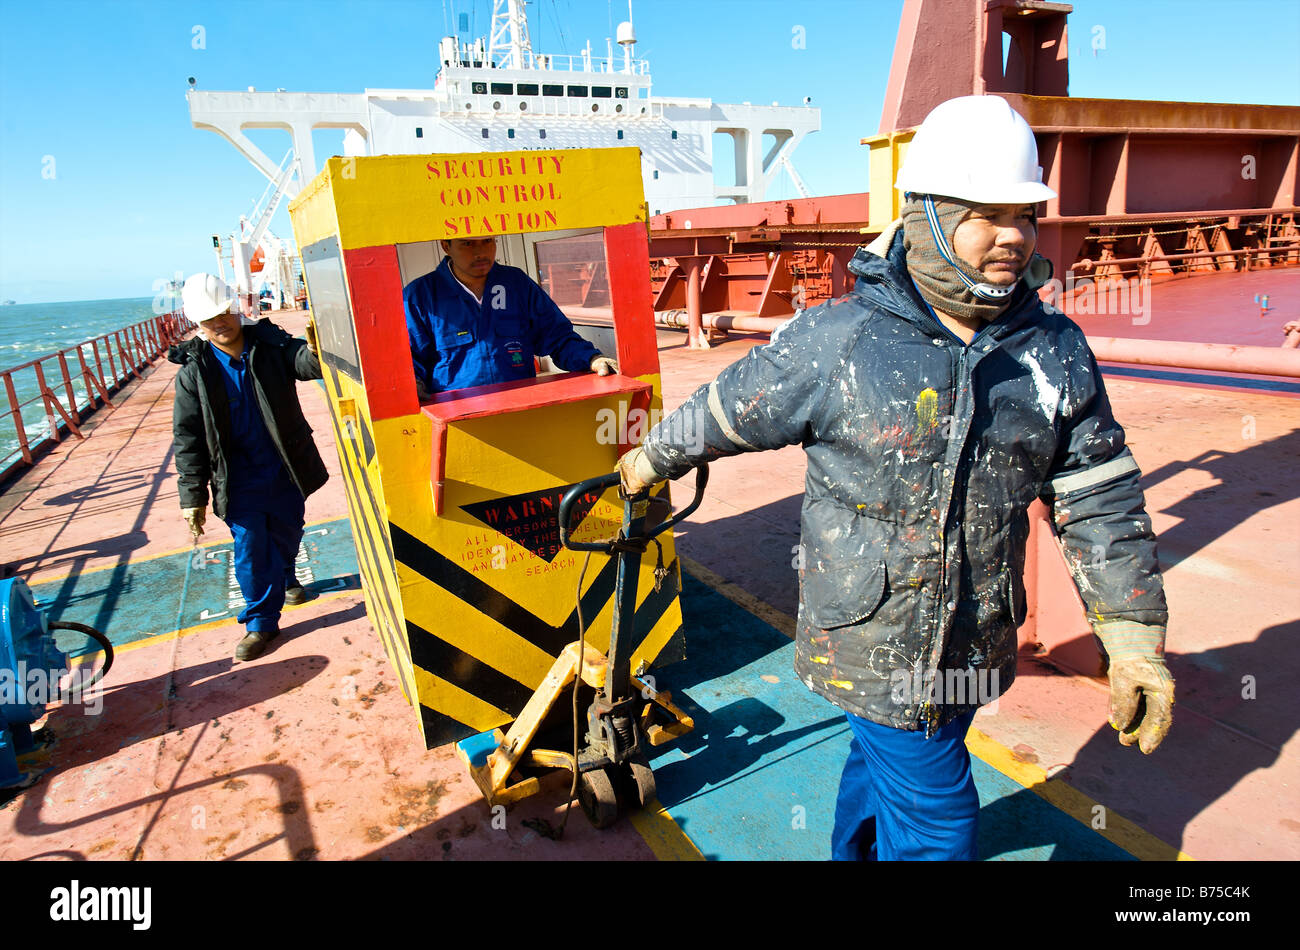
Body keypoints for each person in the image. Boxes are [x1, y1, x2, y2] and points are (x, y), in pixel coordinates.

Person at [617, 96, 1175, 860]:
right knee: (940, 826)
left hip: (974, 643)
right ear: (926, 216)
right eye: (985, 214)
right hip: (869, 642)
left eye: (1026, 215)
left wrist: (1135, 638)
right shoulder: (840, 339)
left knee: (884, 775)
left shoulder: (1053, 352)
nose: (1013, 236)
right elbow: (733, 407)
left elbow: (1097, 492)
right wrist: (651, 458)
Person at [171, 273, 329, 661]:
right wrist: (192, 496)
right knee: (251, 546)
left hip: (285, 468)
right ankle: (261, 623)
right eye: (210, 319)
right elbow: (187, 437)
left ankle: (287, 576)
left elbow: (308, 364)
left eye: (224, 313)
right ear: (197, 322)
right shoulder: (194, 371)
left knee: (288, 532)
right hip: (236, 480)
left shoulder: (271, 344)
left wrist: (318, 343)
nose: (220, 323)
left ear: (235, 307)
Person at [404, 236, 619, 397]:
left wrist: (591, 358)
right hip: (456, 419)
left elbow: (557, 336)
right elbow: (410, 358)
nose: (481, 252)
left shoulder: (516, 284)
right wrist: (412, 385)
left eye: (487, 241)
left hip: (519, 408)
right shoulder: (421, 296)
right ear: (446, 246)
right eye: (468, 244)